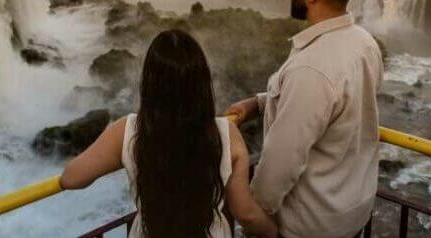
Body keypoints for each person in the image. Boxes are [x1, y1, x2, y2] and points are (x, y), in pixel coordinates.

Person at [226, 0, 384, 238]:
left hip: (308, 227)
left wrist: (256, 219)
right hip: (350, 215)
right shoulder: (365, 43)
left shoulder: (311, 69)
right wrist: (258, 103)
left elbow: (281, 161)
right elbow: (337, 102)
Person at [61, 29, 278, 238]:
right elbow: (245, 213)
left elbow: (71, 178)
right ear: (201, 83)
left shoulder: (127, 131)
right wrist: (274, 231)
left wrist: (120, 156)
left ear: (150, 83)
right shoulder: (226, 133)